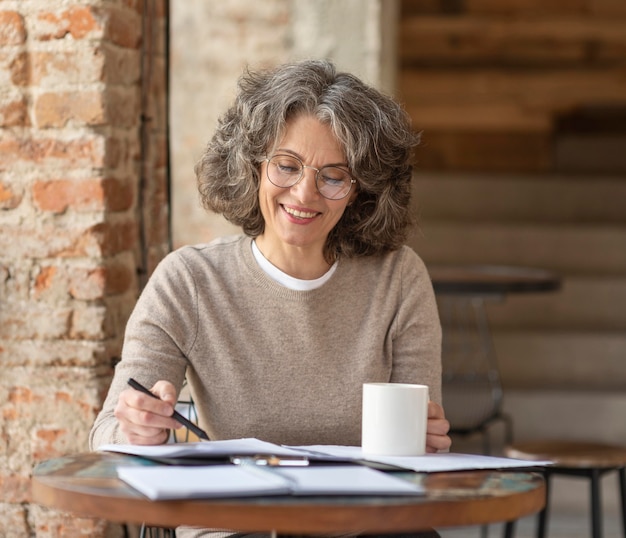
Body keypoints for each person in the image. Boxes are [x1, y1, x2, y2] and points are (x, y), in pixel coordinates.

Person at [90, 59, 451, 537]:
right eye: (287, 165)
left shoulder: (399, 278)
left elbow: (419, 448)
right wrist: (135, 428)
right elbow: (105, 437)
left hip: (360, 526)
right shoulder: (189, 281)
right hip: (235, 528)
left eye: (333, 175)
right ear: (255, 164)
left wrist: (426, 442)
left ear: (359, 189)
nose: (305, 193)